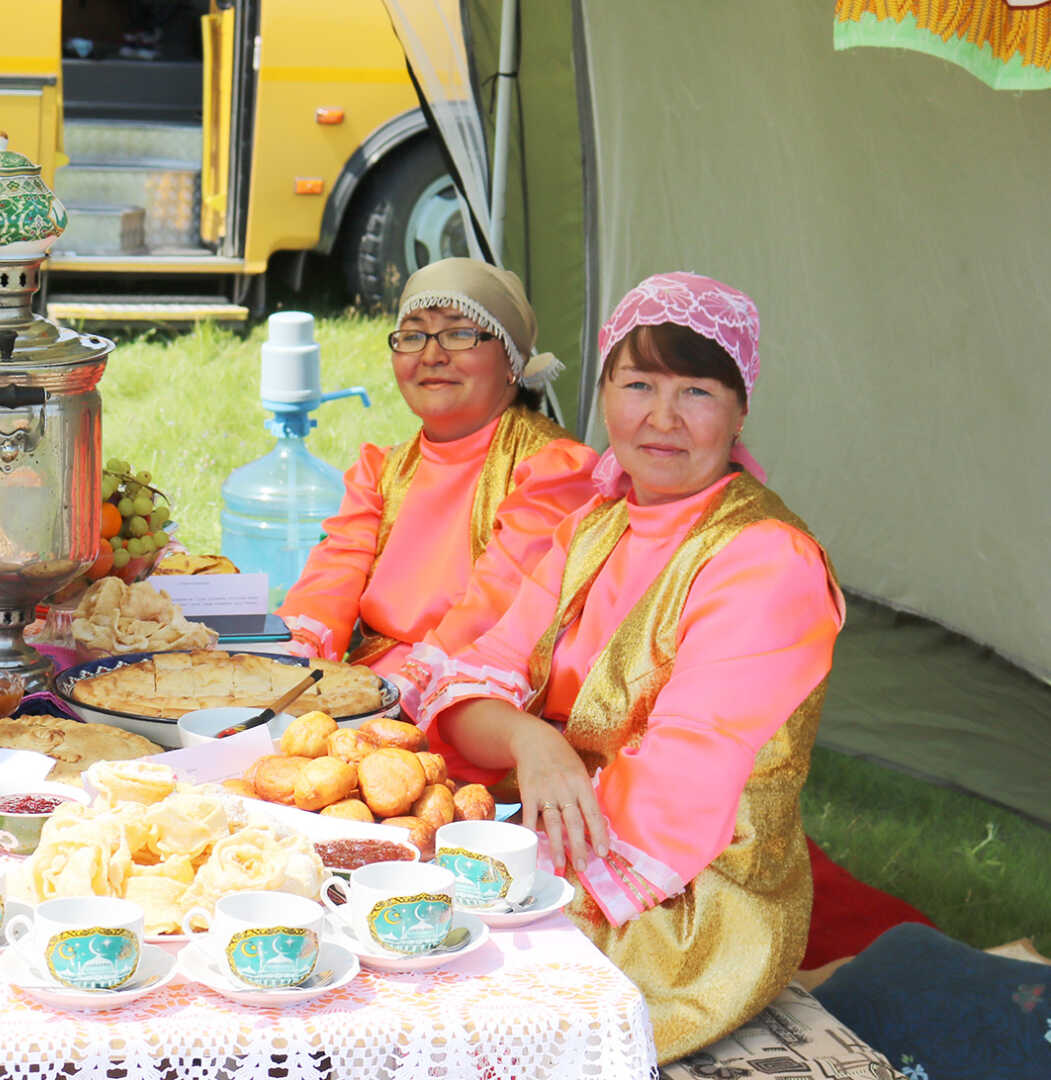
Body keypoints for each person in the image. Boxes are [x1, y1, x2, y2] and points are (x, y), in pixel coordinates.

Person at [411, 272, 845, 1061]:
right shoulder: (598, 525)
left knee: (434, 996)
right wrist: (530, 743)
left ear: (740, 407)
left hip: (681, 903)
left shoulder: (764, 559)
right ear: (603, 390)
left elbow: (683, 785)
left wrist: (507, 885)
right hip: (556, 841)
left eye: (696, 391)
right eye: (637, 383)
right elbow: (475, 679)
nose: (661, 418)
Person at [276, 258, 596, 714]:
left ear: (512, 360)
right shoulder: (382, 470)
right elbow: (331, 577)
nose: (431, 355)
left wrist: (396, 692)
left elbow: (501, 599)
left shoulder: (551, 467)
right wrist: (291, 661)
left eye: (459, 333)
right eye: (412, 335)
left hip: (479, 698)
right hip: (369, 687)